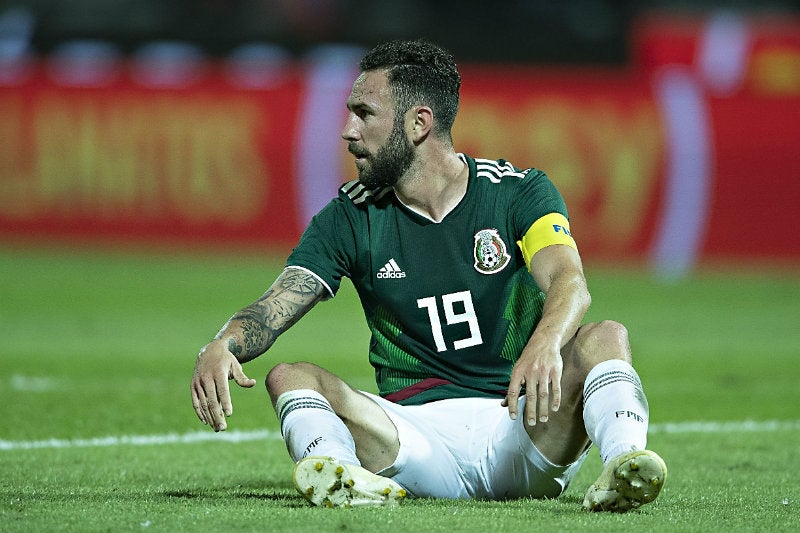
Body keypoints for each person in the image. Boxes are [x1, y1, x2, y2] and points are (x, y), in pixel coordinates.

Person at [190, 38, 667, 511]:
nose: (348, 131)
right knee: (290, 376)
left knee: (606, 337)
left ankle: (625, 465)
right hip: (412, 440)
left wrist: (545, 343)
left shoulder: (519, 193)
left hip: (523, 425)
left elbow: (569, 282)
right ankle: (342, 477)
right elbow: (276, 306)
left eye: (364, 113)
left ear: (418, 123)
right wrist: (224, 343)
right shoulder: (349, 217)